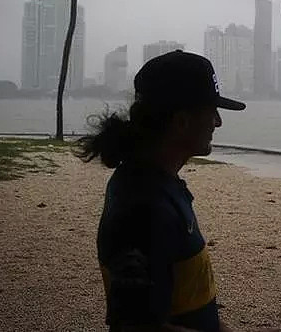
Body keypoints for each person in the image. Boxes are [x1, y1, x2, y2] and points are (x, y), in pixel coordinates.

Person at [76, 50, 247, 332]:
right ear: (181, 122)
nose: (218, 122)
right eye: (212, 111)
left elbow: (187, 306)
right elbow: (136, 327)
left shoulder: (157, 183)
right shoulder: (143, 207)